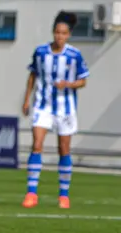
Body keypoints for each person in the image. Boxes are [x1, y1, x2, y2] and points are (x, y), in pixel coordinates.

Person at [21, 11, 89, 210]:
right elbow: (33, 76)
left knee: (64, 149)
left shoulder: (74, 55)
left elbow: (83, 81)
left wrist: (68, 84)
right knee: (37, 144)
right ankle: (31, 193)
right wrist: (27, 100)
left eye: (64, 33)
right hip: (43, 106)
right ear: (53, 33)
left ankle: (63, 195)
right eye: (57, 33)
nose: (60, 36)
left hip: (65, 109)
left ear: (68, 35)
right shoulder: (41, 52)